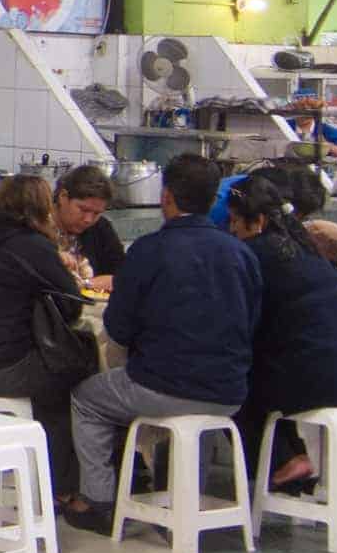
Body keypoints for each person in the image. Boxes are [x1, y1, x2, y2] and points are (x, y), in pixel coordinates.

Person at [65, 153, 261, 532]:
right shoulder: (241, 253)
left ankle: (98, 499)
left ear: (166, 196)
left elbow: (119, 327)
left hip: (162, 384)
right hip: (230, 389)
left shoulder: (150, 251)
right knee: (194, 418)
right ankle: (183, 498)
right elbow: (251, 319)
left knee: (87, 398)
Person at [224, 171, 337, 491]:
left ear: (259, 221)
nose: (232, 230)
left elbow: (240, 321)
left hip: (317, 382)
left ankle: (282, 462)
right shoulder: (306, 250)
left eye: (236, 222)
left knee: (227, 387)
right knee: (268, 379)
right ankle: (292, 461)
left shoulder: (255, 254)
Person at [0, 173, 92, 497]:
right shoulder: (31, 244)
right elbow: (72, 304)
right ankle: (60, 487)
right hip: (1, 370)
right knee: (73, 381)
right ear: (42, 208)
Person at [53, 164, 126, 287]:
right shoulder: (36, 227)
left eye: (96, 213)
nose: (88, 220)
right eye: (83, 209)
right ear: (63, 197)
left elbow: (124, 272)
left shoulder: (100, 228)